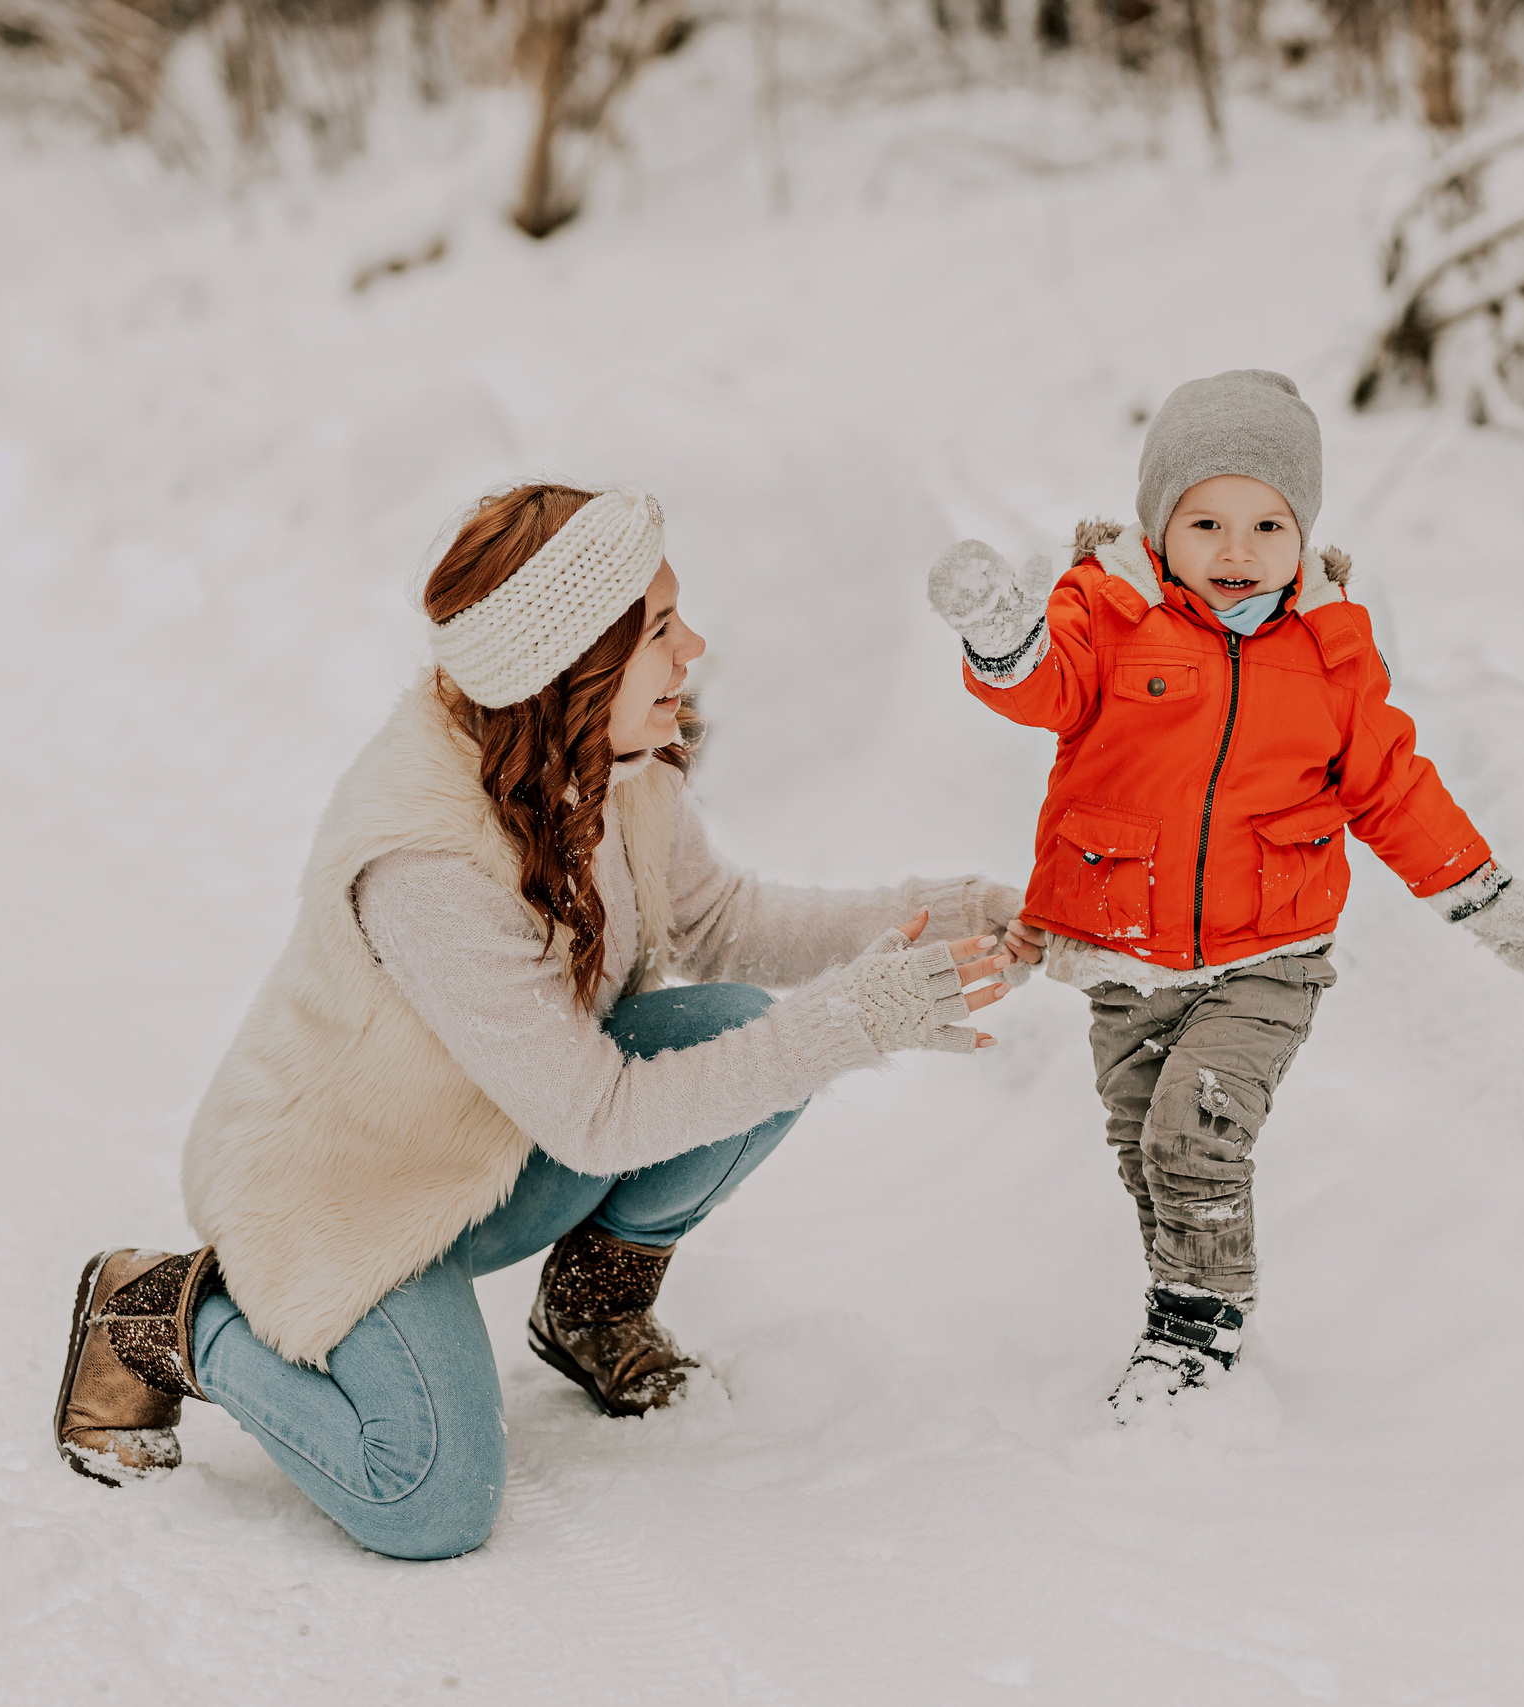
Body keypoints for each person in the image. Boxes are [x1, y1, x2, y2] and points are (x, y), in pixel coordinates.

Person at [53, 480, 1025, 1557]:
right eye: (660, 631)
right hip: (353, 1198)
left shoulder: (606, 759)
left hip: (503, 1145)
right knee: (425, 1501)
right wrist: (850, 1024)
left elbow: (723, 920)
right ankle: (161, 1314)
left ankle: (591, 1307)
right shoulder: (426, 862)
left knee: (731, 1026)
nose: (693, 648)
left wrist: (968, 912)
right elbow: (600, 1123)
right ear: (575, 666)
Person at [924, 369, 1524, 1415]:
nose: (1236, 550)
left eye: (1267, 523)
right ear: (1155, 522)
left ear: (1302, 528)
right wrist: (1006, 643)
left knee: (1195, 1132)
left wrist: (1477, 889)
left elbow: (1389, 783)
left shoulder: (1328, 645)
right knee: (1145, 1150)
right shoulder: (1107, 610)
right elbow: (1050, 690)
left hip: (1270, 950)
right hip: (1122, 947)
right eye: (1204, 519)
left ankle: (1196, 1335)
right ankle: (1183, 1301)